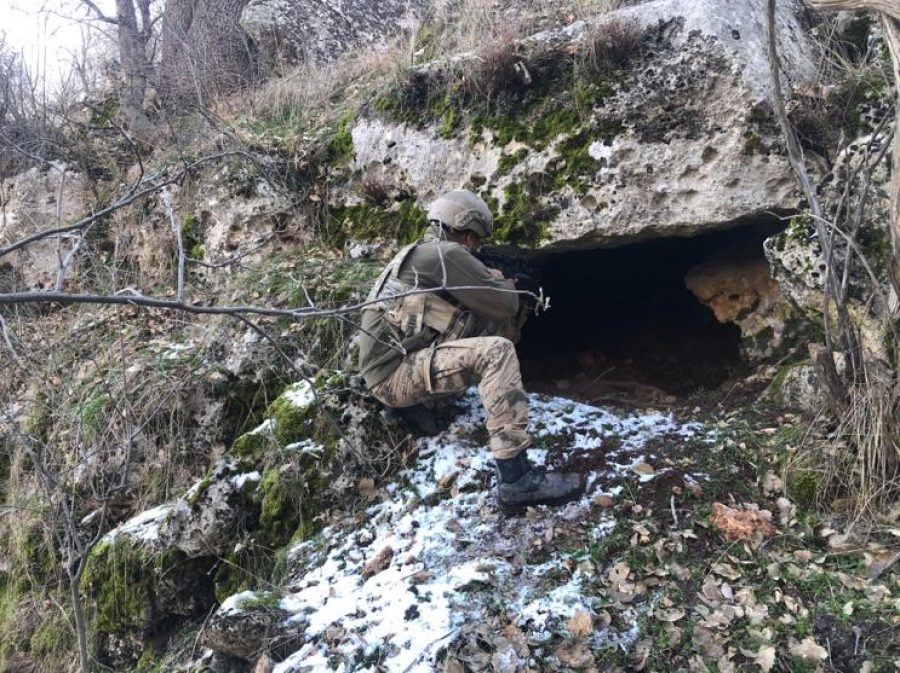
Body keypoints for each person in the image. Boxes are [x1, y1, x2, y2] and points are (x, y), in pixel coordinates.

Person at [358, 189, 583, 512]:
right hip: (394, 378)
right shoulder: (446, 255)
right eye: (476, 241)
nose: (475, 248)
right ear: (465, 233)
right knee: (496, 352)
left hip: (385, 372)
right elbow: (505, 305)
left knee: (473, 323)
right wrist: (500, 280)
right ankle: (516, 479)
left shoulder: (417, 254)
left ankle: (416, 408)